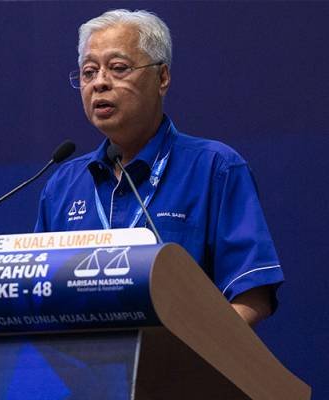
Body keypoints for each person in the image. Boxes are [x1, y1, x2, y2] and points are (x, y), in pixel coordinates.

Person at [34, 9, 284, 326]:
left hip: (184, 355)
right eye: (89, 72)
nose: (99, 83)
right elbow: (39, 297)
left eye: (118, 68)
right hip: (87, 358)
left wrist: (186, 347)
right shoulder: (63, 186)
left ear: (162, 78)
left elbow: (252, 295)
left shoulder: (215, 168)